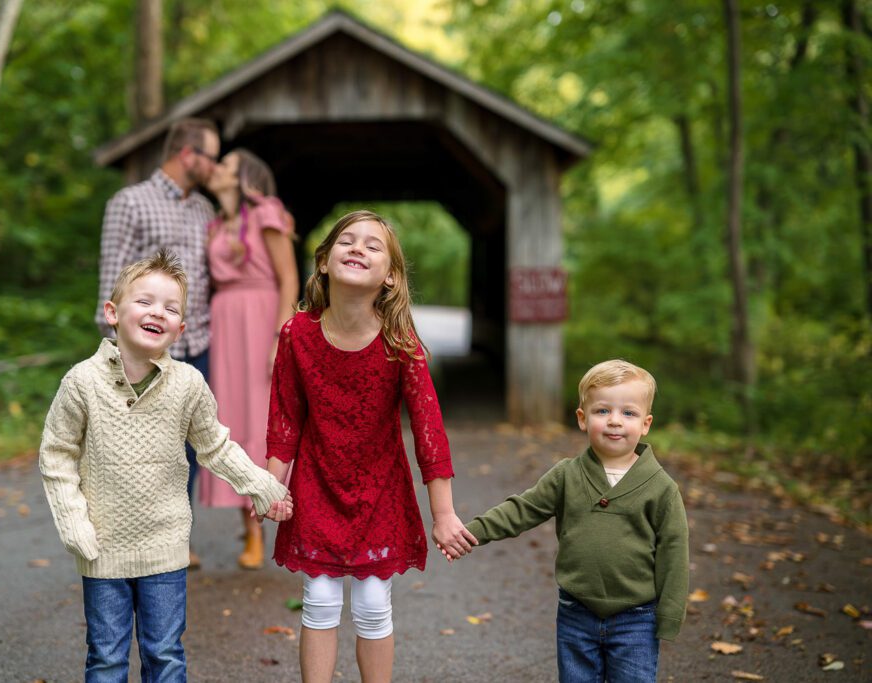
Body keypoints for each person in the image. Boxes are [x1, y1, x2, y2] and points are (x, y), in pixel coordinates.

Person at [41, 249, 293, 681]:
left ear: (180, 328)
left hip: (166, 547)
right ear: (112, 312)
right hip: (102, 549)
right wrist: (73, 523)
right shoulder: (82, 382)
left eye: (171, 308)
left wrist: (262, 484)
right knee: (105, 658)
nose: (157, 312)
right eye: (144, 301)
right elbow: (57, 453)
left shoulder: (188, 384)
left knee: (165, 656)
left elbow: (216, 446)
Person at [265, 210, 477, 683]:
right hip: (317, 483)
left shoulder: (401, 342)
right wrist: (271, 485)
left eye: (373, 245)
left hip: (380, 489)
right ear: (323, 262)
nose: (357, 248)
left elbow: (429, 431)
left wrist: (442, 514)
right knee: (318, 599)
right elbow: (284, 419)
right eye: (347, 241)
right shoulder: (296, 334)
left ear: (391, 278)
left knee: (372, 605)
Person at [450, 359, 689, 683]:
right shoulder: (567, 475)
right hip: (576, 612)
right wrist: (471, 532)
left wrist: (670, 613)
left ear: (645, 424)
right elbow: (523, 509)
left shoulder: (661, 488)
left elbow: (674, 551)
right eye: (602, 411)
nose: (615, 421)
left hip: (636, 618)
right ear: (582, 418)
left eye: (628, 413)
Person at [95, 117, 220, 569]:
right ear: (188, 154)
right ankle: (122, 538)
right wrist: (115, 350)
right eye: (211, 156)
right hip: (145, 350)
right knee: (134, 445)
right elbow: (112, 278)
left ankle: (174, 541)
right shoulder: (130, 202)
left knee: (186, 448)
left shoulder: (206, 210)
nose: (215, 165)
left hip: (198, 342)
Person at [197, 148, 299, 570]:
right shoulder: (214, 224)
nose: (217, 168)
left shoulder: (266, 214)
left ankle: (273, 512)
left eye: (227, 165)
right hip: (224, 324)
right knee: (232, 422)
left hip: (262, 319)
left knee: (263, 420)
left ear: (246, 179)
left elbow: (289, 277)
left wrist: (281, 336)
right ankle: (250, 525)